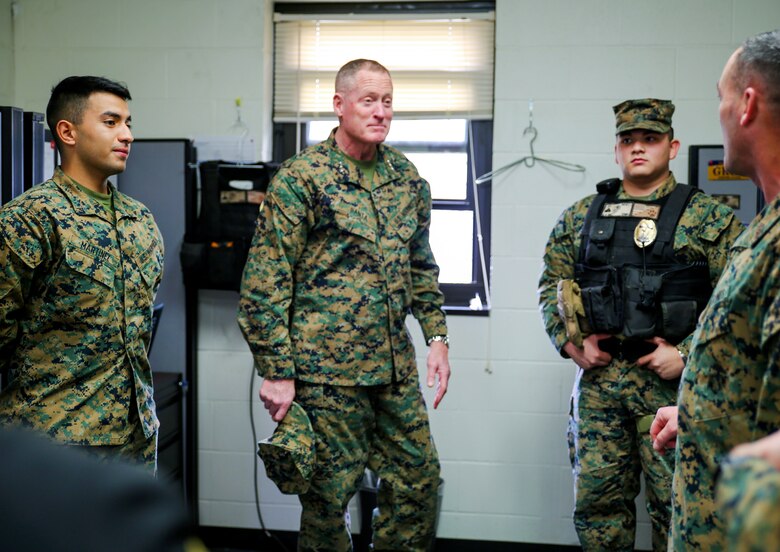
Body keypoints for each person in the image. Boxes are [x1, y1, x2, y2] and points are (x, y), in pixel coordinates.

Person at [237, 59, 450, 552]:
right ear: (339, 105)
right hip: (325, 376)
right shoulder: (303, 179)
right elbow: (264, 282)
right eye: (368, 100)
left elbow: (421, 267)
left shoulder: (407, 178)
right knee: (328, 504)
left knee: (419, 484)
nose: (381, 112)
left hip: (393, 373)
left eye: (388, 101)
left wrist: (437, 337)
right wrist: (276, 370)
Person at [538, 99, 743, 551]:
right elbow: (551, 285)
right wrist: (570, 344)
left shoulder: (709, 218)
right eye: (627, 140)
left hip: (672, 392)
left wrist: (685, 355)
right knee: (598, 511)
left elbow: (735, 303)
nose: (637, 148)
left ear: (672, 147)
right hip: (600, 389)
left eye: (649, 139)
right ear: (616, 150)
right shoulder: (581, 217)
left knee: (680, 510)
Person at [649, 29, 780, 551]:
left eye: (721, 97)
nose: (720, 112)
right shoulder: (762, 229)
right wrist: (700, 415)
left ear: (747, 104)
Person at [0, 76, 164, 470]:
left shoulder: (138, 219)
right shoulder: (30, 219)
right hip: (55, 443)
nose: (126, 135)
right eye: (111, 122)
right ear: (67, 132)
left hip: (135, 438)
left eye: (128, 123)